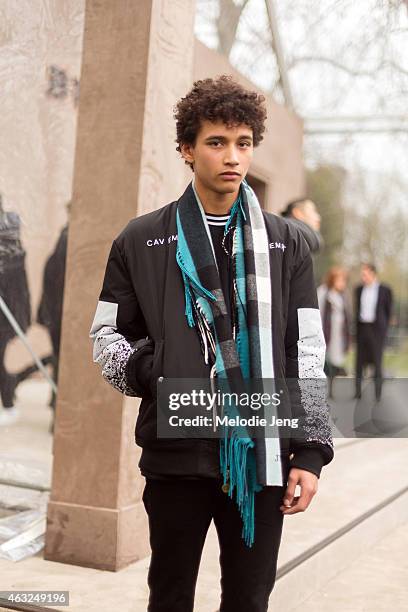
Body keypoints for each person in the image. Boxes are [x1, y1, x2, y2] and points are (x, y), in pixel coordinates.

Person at [90, 75, 334, 612]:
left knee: (249, 598)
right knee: (170, 595)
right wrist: (156, 369)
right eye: (216, 142)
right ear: (186, 149)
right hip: (176, 455)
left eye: (243, 143)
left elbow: (307, 351)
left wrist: (312, 452)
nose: (232, 156)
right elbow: (106, 337)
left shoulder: (287, 241)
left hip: (263, 456)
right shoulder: (141, 238)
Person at [0, 194, 31, 426]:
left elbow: (15, 279)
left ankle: (8, 402)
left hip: (5, 311)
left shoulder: (10, 235)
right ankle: (9, 400)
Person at [354, 263, 393, 401]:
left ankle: (378, 394)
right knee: (358, 362)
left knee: (377, 362)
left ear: (373, 273)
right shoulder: (358, 289)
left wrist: (384, 329)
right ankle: (357, 393)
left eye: (365, 274)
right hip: (362, 328)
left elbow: (388, 311)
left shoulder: (385, 289)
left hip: (377, 330)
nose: (363, 277)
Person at [317, 266, 351, 398]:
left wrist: (348, 339)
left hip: (338, 334)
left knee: (335, 362)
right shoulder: (323, 292)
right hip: (326, 333)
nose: (342, 283)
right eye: (340, 280)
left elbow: (347, 316)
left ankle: (330, 390)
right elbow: (318, 312)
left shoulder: (343, 296)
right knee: (324, 362)